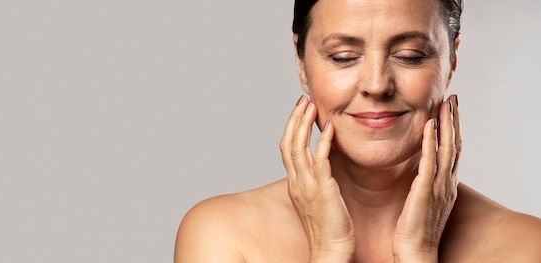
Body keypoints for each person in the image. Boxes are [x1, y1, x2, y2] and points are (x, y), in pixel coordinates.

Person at [174, 0, 541, 262]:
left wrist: (419, 253)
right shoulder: (223, 236)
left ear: (451, 62)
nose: (377, 84)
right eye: (343, 57)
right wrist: (329, 252)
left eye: (410, 55)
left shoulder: (526, 248)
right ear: (302, 64)